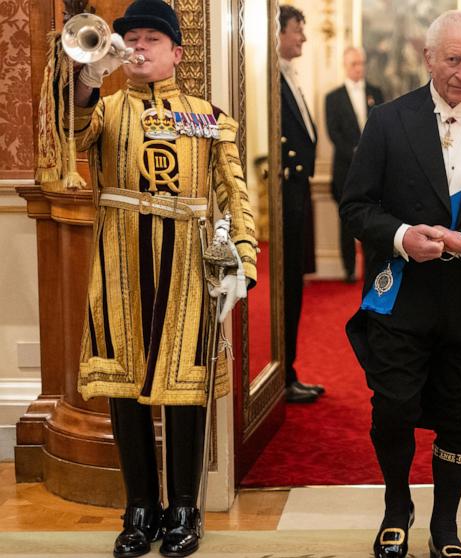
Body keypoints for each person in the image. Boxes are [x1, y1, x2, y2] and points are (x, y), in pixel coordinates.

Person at [340, 11, 461, 558]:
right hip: (402, 294)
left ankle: (445, 526)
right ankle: (396, 506)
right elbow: (355, 207)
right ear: (428, 58)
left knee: (458, 413)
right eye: (452, 59)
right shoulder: (387, 120)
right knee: (394, 407)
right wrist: (403, 236)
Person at [64, 1, 258, 556]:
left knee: (184, 390)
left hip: (189, 269)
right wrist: (86, 79)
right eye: (132, 39)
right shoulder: (107, 108)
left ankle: (183, 510)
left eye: (152, 39)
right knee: (123, 389)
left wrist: (243, 256)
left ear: (177, 52)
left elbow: (232, 191)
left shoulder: (209, 116)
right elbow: (72, 133)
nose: (140, 47)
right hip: (120, 265)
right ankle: (139, 509)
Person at [278, 5, 325, 404]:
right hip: (282, 197)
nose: (303, 38)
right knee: (285, 286)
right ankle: (282, 374)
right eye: (297, 30)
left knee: (295, 284)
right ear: (278, 34)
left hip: (298, 193)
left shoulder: (288, 77)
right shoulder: (270, 81)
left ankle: (287, 370)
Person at [325, 46, 385, 283]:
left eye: (361, 63)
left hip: (374, 170)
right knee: (346, 223)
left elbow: (382, 127)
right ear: (345, 65)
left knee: (374, 219)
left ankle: (372, 266)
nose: (359, 68)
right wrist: (356, 153)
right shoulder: (333, 97)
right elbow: (334, 133)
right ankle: (349, 269)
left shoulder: (376, 92)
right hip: (344, 170)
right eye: (354, 64)